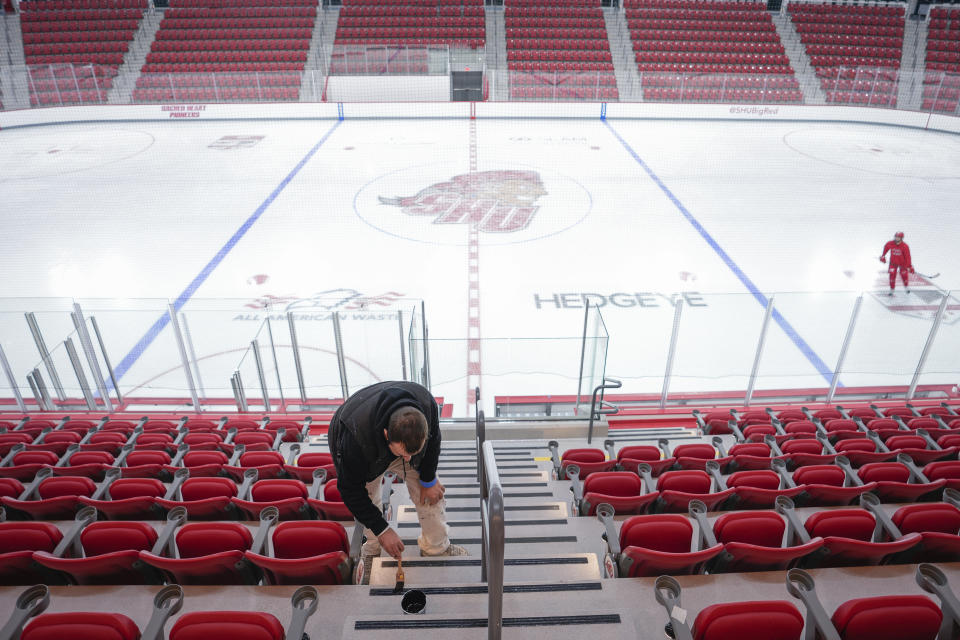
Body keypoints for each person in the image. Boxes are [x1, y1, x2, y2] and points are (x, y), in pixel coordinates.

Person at [327, 380, 467, 568]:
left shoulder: (427, 405)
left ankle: (436, 548)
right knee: (369, 497)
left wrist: (428, 479)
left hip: (387, 442)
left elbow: (433, 444)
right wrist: (382, 529)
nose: (408, 460)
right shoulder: (354, 441)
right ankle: (373, 547)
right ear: (386, 435)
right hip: (365, 451)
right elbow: (350, 491)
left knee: (433, 495)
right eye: (403, 454)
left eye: (414, 453)